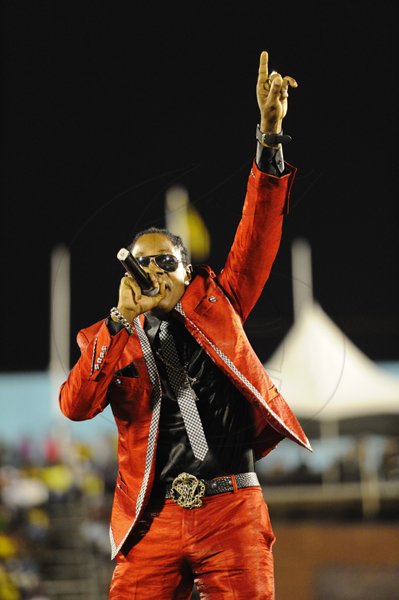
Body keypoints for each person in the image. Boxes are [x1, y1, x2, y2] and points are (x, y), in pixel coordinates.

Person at [59, 49, 312, 600]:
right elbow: (75, 406)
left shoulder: (219, 300)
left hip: (230, 510)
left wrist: (269, 140)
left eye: (165, 261)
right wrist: (117, 322)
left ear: (187, 270)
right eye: (142, 262)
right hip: (152, 517)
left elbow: (259, 231)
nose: (152, 270)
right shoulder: (107, 339)